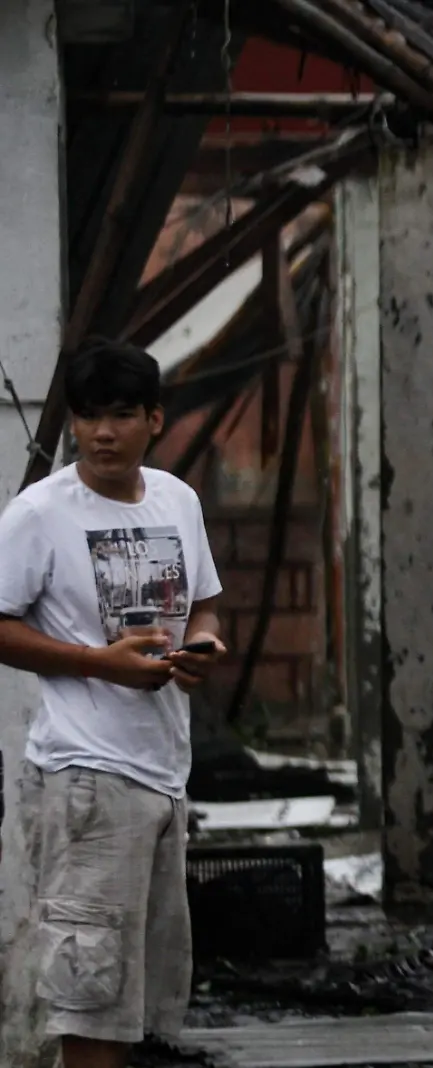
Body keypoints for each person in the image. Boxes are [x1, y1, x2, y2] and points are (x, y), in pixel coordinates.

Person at [0, 338, 227, 1068]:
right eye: (89, 417)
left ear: (154, 419)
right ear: (72, 423)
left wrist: (202, 650)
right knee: (89, 1000)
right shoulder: (38, 513)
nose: (103, 433)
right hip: (87, 780)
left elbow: (208, 606)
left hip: (164, 777)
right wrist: (101, 665)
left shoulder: (176, 498)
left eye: (122, 415)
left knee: (143, 1007)